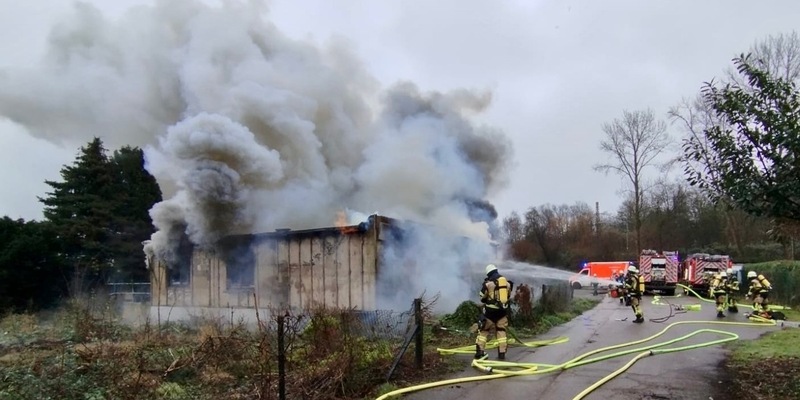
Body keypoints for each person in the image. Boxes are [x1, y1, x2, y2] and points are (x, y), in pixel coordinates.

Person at [475, 264, 514, 360]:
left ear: (489, 274)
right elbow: (508, 296)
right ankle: (502, 353)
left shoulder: (488, 284)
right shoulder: (507, 284)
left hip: (490, 313)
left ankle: (480, 352)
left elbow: (482, 297)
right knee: (501, 331)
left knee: (484, 330)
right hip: (502, 313)